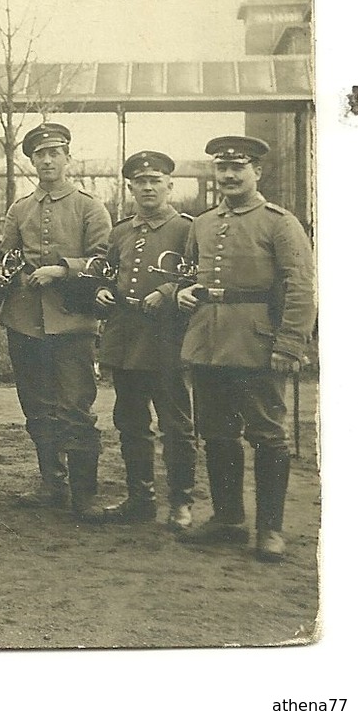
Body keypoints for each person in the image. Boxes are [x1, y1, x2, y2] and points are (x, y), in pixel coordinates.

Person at [176, 135, 316, 563]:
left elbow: (300, 287)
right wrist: (185, 292)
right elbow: (188, 274)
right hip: (209, 341)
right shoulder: (201, 222)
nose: (230, 175)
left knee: (267, 435)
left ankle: (269, 529)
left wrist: (290, 343)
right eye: (223, 168)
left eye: (240, 167)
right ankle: (227, 518)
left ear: (257, 172)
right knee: (217, 432)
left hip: (258, 342)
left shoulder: (279, 222)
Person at [0, 122, 112, 519]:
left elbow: (104, 261)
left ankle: (84, 494)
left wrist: (62, 271)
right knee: (36, 406)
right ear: (31, 161)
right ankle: (51, 483)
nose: (47, 161)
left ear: (68, 158)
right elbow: (7, 254)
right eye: (39, 155)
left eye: (54, 153)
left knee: (75, 407)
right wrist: (4, 270)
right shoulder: (20, 208)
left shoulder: (89, 206)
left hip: (72, 322)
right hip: (25, 320)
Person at [92, 150, 198, 529]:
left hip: (166, 340)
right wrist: (102, 290)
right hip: (126, 337)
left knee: (176, 425)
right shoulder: (120, 231)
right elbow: (108, 271)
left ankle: (181, 503)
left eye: (156, 180)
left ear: (170, 185)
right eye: (141, 181)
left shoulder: (188, 228)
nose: (148, 187)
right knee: (131, 422)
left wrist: (169, 291)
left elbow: (199, 277)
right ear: (131, 186)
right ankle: (140, 498)